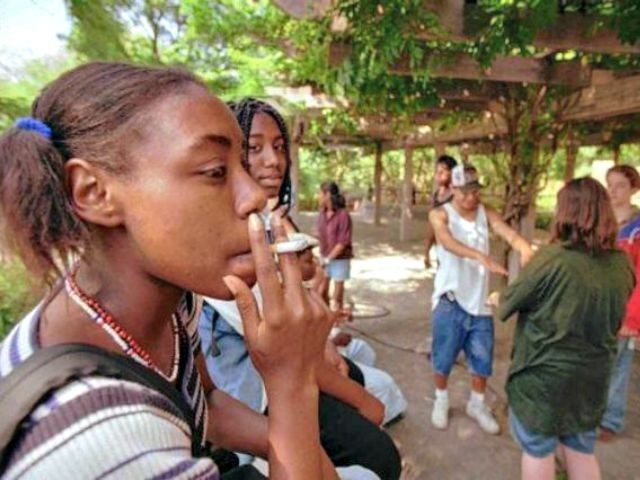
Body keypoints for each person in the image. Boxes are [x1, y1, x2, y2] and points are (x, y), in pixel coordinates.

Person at [0, 62, 338, 479]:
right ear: (94, 193)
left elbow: (207, 406)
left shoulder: (172, 300)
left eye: (241, 169)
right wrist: (291, 382)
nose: (253, 197)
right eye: (215, 172)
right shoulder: (100, 445)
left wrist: (313, 457)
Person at [199, 98, 401, 480]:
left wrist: (324, 343)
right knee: (377, 450)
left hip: (284, 375)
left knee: (361, 388)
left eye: (278, 147)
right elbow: (286, 350)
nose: (273, 161)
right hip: (263, 393)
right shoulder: (228, 244)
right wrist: (354, 395)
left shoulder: (272, 220)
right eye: (253, 148)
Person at [495, 177, 634, 480]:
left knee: (538, 449)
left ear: (566, 213)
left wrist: (497, 297)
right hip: (593, 379)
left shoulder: (552, 259)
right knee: (581, 450)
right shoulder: (622, 262)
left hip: (544, 380)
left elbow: (509, 302)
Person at [428, 163, 533, 434]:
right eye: (464, 192)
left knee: (482, 360)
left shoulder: (486, 213)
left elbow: (506, 232)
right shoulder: (440, 214)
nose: (471, 198)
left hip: (480, 303)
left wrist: (523, 247)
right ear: (452, 189)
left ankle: (477, 404)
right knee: (443, 356)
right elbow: (447, 242)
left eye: (475, 191)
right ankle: (441, 399)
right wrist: (479, 256)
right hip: (450, 300)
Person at [600, 165, 640, 441]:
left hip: (624, 308)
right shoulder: (600, 221)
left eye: (620, 185)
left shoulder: (637, 228)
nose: (612, 191)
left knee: (618, 364)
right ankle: (586, 412)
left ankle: (610, 420)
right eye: (609, 184)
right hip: (596, 304)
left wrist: (632, 318)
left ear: (634, 189)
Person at [317, 181, 353, 312]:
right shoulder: (322, 214)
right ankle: (327, 321)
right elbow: (321, 234)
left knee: (337, 297)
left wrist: (328, 258)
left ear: (327, 195)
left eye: (320, 193)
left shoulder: (343, 215)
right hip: (324, 257)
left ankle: (337, 324)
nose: (318, 196)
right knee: (321, 292)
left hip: (340, 260)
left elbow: (343, 242)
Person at [424, 155, 457, 268]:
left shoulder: (458, 196)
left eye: (442, 172)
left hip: (457, 249)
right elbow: (432, 226)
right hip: (441, 249)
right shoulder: (436, 195)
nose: (438, 175)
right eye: (437, 172)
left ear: (452, 173)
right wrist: (426, 251)